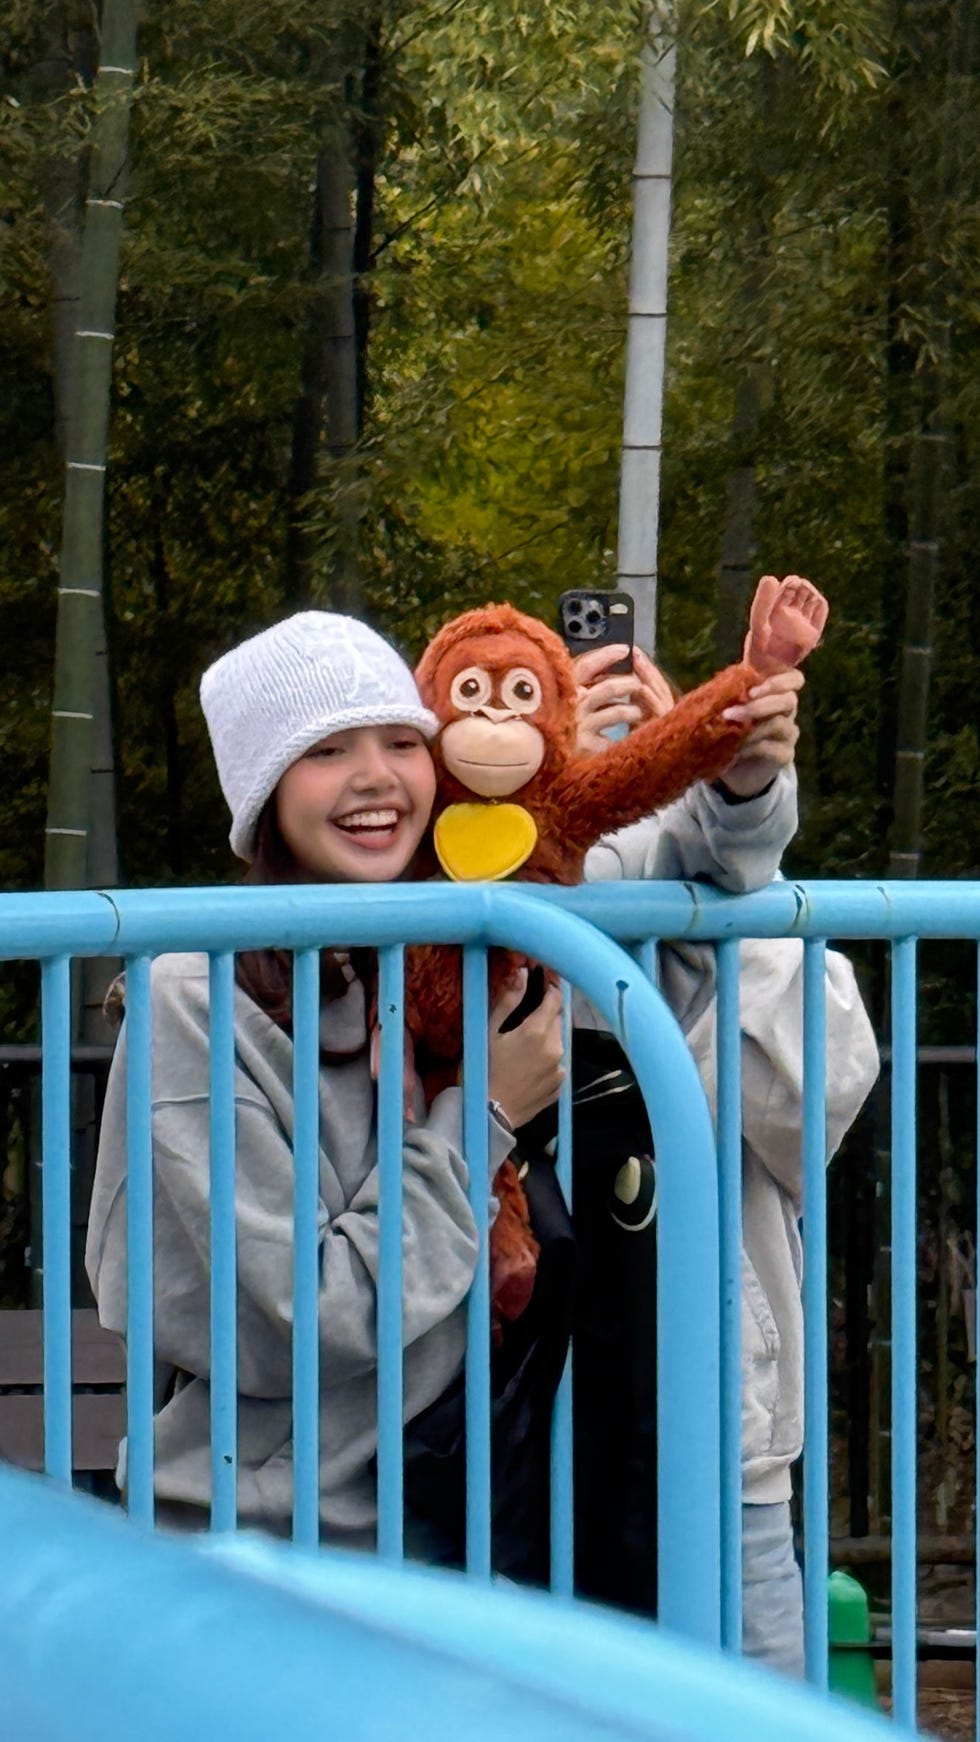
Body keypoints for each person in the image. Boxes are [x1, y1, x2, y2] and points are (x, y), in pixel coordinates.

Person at [86, 612, 567, 1555]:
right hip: (265, 1547)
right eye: (326, 750)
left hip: (456, 1522)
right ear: (263, 793)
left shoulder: (450, 955)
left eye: (401, 741)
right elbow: (311, 1313)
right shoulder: (194, 996)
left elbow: (671, 866)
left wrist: (744, 773)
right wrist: (487, 1116)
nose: (377, 777)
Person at [574, 637, 879, 1677]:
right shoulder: (472, 922)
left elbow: (805, 1108)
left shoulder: (771, 951)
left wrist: (716, 779)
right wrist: (554, 800)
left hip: (724, 1433)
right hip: (528, 1434)